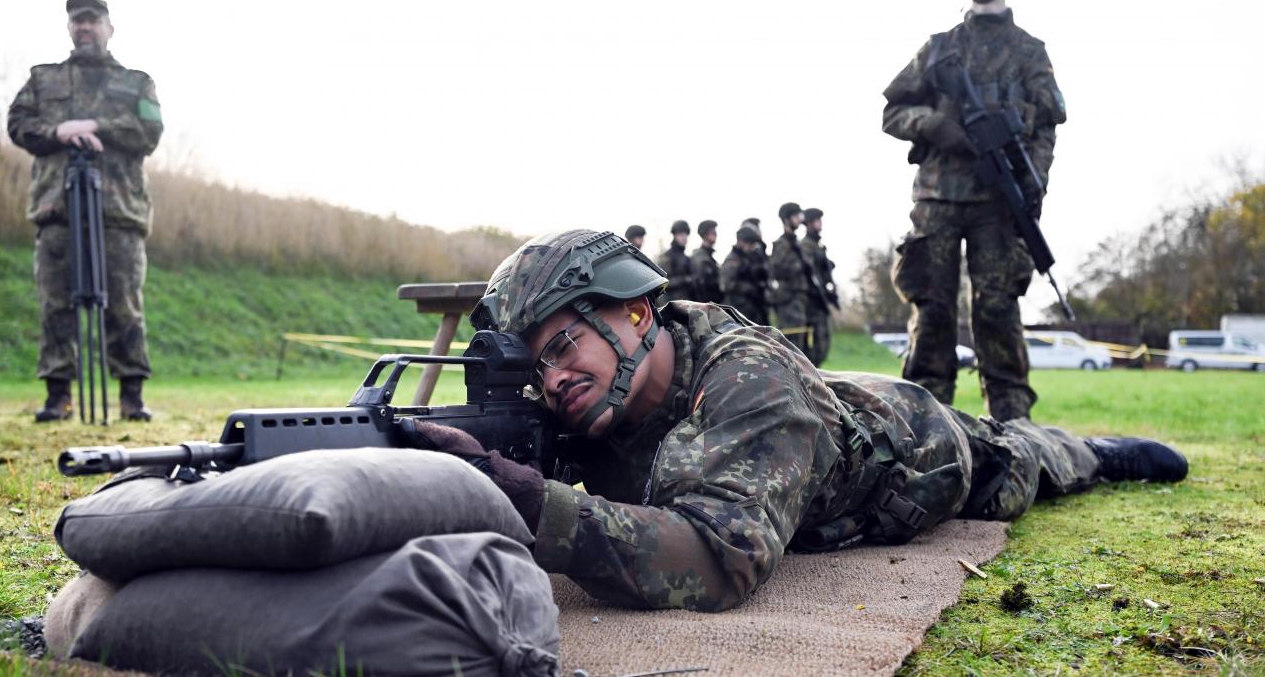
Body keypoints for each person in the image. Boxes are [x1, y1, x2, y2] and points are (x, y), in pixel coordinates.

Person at [405, 230, 1187, 612]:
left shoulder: (752, 382)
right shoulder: (589, 398)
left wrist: (536, 504)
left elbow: (717, 558)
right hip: (814, 417)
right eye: (536, 364)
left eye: (566, 343)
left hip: (911, 453)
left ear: (638, 311)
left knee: (1014, 461)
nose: (554, 377)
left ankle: (1092, 450)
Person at [881, 0, 1065, 423]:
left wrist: (1035, 181)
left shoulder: (1030, 51)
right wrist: (934, 125)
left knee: (997, 308)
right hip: (938, 197)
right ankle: (923, 422)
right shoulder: (939, 48)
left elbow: (1047, 125)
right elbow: (892, 112)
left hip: (998, 201)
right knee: (933, 308)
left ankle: (1011, 422)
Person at [8, 0, 164, 422]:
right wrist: (59, 130)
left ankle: (132, 396)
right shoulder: (44, 79)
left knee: (125, 304)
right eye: (78, 21)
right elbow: (18, 124)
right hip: (57, 207)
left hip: (119, 211)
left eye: (93, 21)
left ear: (109, 27)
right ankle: (58, 396)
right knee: (55, 303)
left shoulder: (136, 82)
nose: (85, 28)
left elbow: (149, 131)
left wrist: (96, 126)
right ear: (69, 29)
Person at [767, 203, 813, 356]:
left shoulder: (796, 244)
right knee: (790, 345)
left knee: (800, 346)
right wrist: (799, 265)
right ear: (786, 219)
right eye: (795, 216)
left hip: (799, 299)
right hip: (788, 300)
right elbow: (777, 270)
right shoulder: (782, 244)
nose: (799, 220)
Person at [800, 207, 837, 367]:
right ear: (808, 223)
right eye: (817, 221)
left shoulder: (818, 245)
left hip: (820, 301)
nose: (820, 224)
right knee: (815, 345)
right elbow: (809, 272)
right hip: (811, 302)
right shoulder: (806, 245)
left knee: (824, 342)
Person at [719, 226, 766, 324]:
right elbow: (725, 285)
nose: (751, 247)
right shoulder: (732, 260)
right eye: (749, 244)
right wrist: (747, 287)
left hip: (751, 308)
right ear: (740, 242)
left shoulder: (747, 258)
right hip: (738, 309)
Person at [654, 220, 695, 302]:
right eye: (680, 234)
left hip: (686, 303)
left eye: (686, 234)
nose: (684, 237)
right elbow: (662, 283)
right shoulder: (667, 257)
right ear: (674, 235)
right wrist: (684, 280)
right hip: (671, 304)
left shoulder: (686, 258)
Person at [689, 219, 723, 304]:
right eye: (712, 232)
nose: (716, 234)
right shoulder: (700, 257)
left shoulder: (708, 256)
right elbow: (701, 285)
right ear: (705, 234)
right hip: (706, 306)